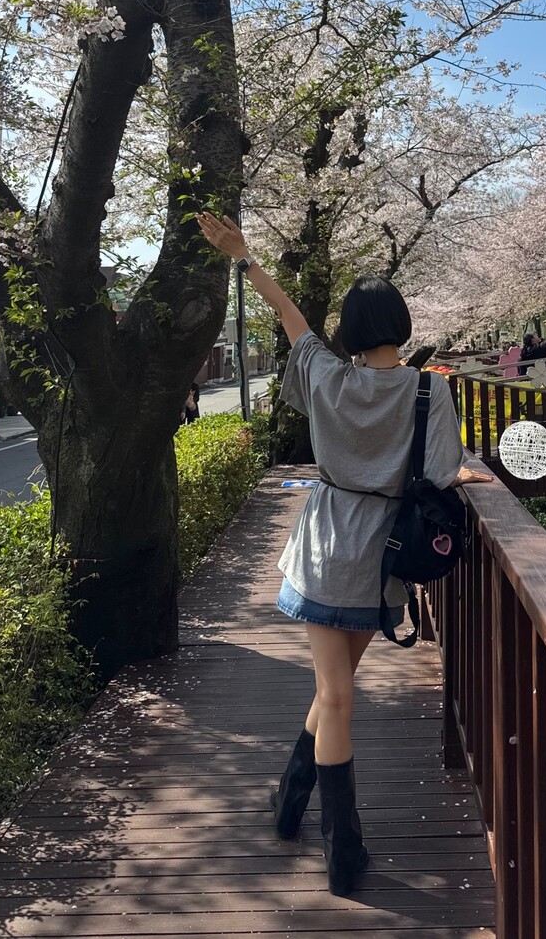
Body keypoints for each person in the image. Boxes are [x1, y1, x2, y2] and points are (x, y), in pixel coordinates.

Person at [197, 211, 491, 896]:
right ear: (402, 324)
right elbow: (440, 471)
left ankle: (307, 818)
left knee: (333, 693)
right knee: (336, 691)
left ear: (352, 331)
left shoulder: (327, 377)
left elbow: (291, 318)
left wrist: (244, 258)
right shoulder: (430, 389)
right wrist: (462, 476)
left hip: (326, 544)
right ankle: (334, 840)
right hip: (382, 556)